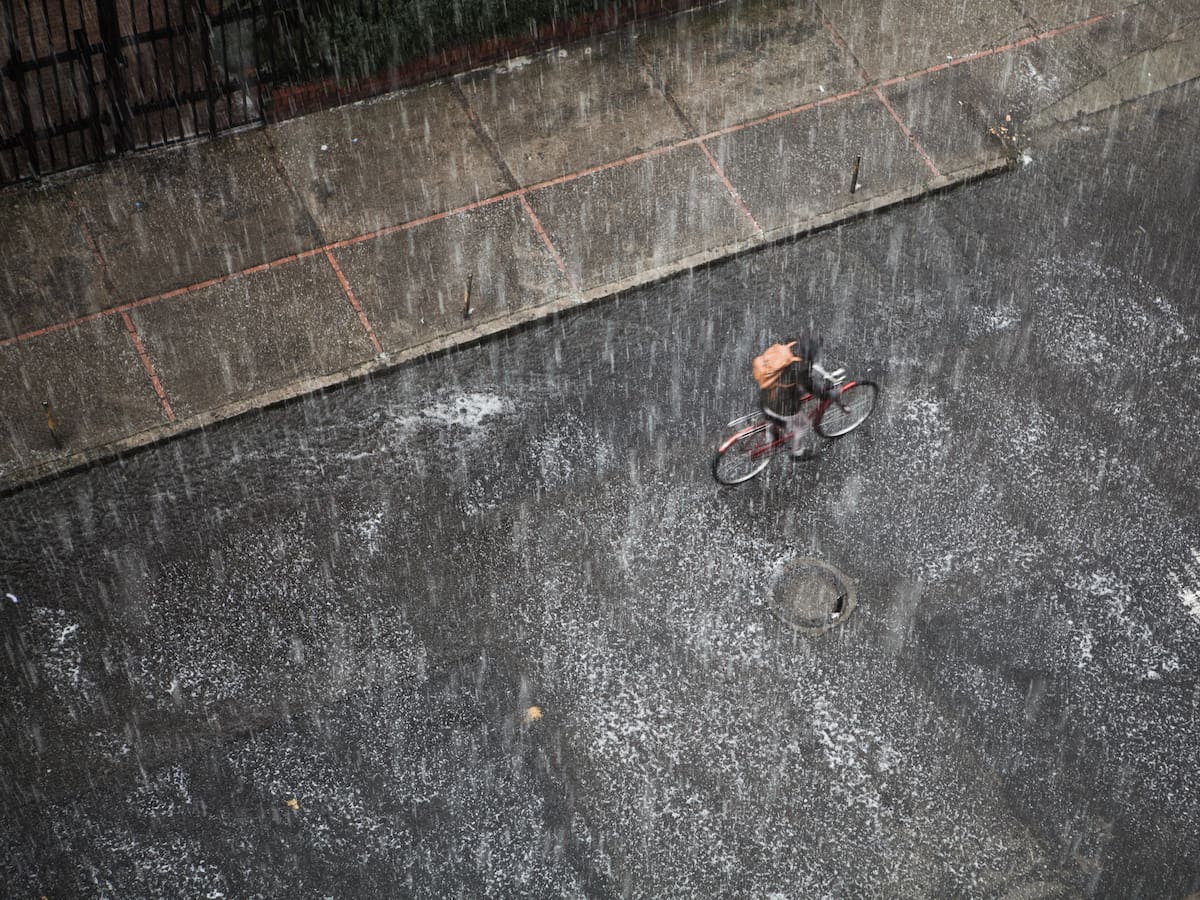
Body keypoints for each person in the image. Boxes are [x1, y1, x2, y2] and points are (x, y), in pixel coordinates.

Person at [752, 336, 833, 459]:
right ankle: (797, 452)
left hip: (764, 399)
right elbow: (810, 387)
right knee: (803, 425)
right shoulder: (800, 368)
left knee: (773, 413)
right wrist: (824, 395)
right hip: (780, 407)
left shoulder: (786, 350)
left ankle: (772, 435)